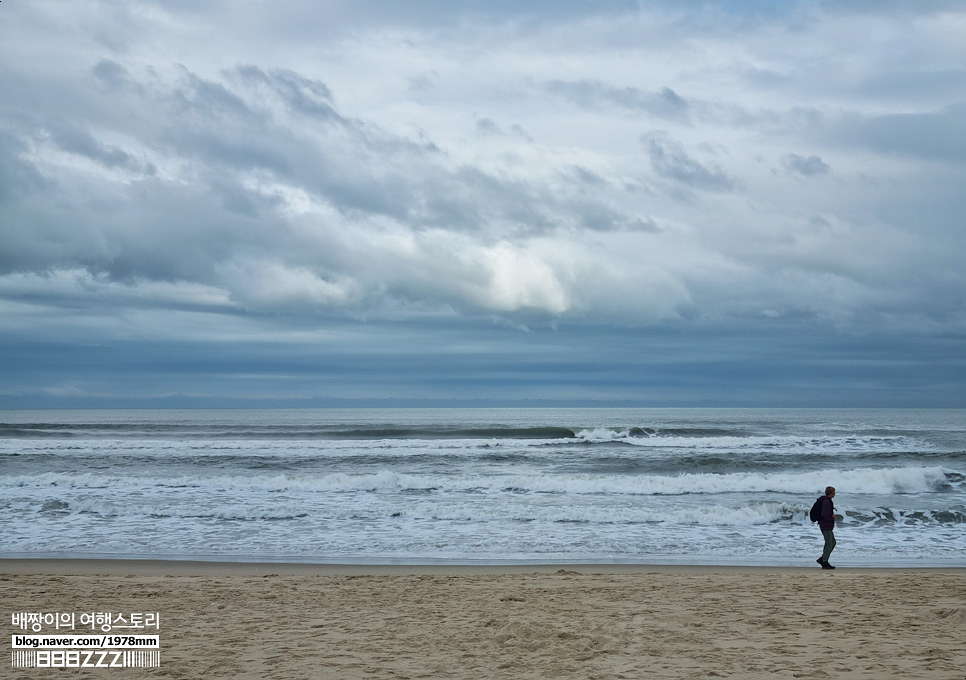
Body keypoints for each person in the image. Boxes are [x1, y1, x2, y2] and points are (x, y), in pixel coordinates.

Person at [816, 486, 837, 569]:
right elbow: (824, 515)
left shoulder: (827, 501)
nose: (835, 494)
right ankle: (824, 561)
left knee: (832, 543)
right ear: (830, 493)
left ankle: (823, 558)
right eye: (834, 492)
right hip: (825, 525)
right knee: (829, 543)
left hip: (827, 525)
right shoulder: (826, 502)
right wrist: (832, 518)